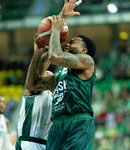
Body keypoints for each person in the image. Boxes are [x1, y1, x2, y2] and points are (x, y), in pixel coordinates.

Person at [25, 0, 97, 149]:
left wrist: (56, 31)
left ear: (84, 51)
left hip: (79, 123)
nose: (68, 44)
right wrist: (37, 54)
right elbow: (32, 84)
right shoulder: (61, 75)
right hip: (57, 126)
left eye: (73, 42)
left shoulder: (87, 61)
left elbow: (55, 57)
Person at [14, 49, 53, 150]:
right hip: (29, 142)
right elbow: (39, 72)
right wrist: (46, 51)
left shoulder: (56, 97)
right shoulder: (33, 90)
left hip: (47, 144)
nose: (48, 78)